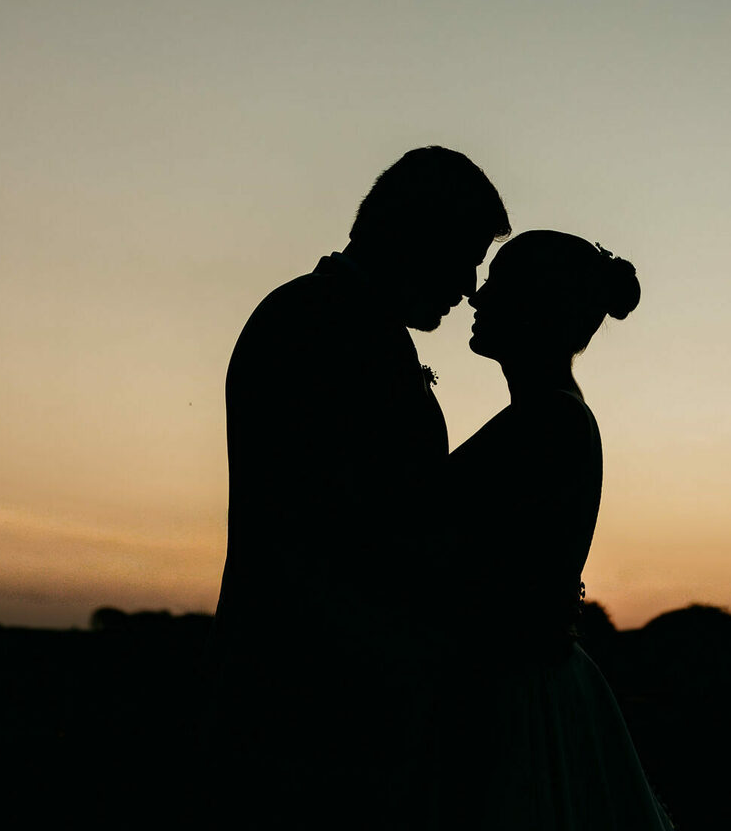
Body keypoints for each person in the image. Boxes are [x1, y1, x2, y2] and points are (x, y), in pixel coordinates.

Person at [205, 147, 510, 819]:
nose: (469, 288)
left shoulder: (348, 321)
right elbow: (329, 532)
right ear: (412, 235)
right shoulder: (313, 324)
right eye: (463, 258)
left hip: (343, 706)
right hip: (307, 712)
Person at [433, 230, 676, 830]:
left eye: (496, 286)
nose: (475, 298)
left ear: (535, 309)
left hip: (509, 700)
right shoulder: (547, 414)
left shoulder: (548, 421)